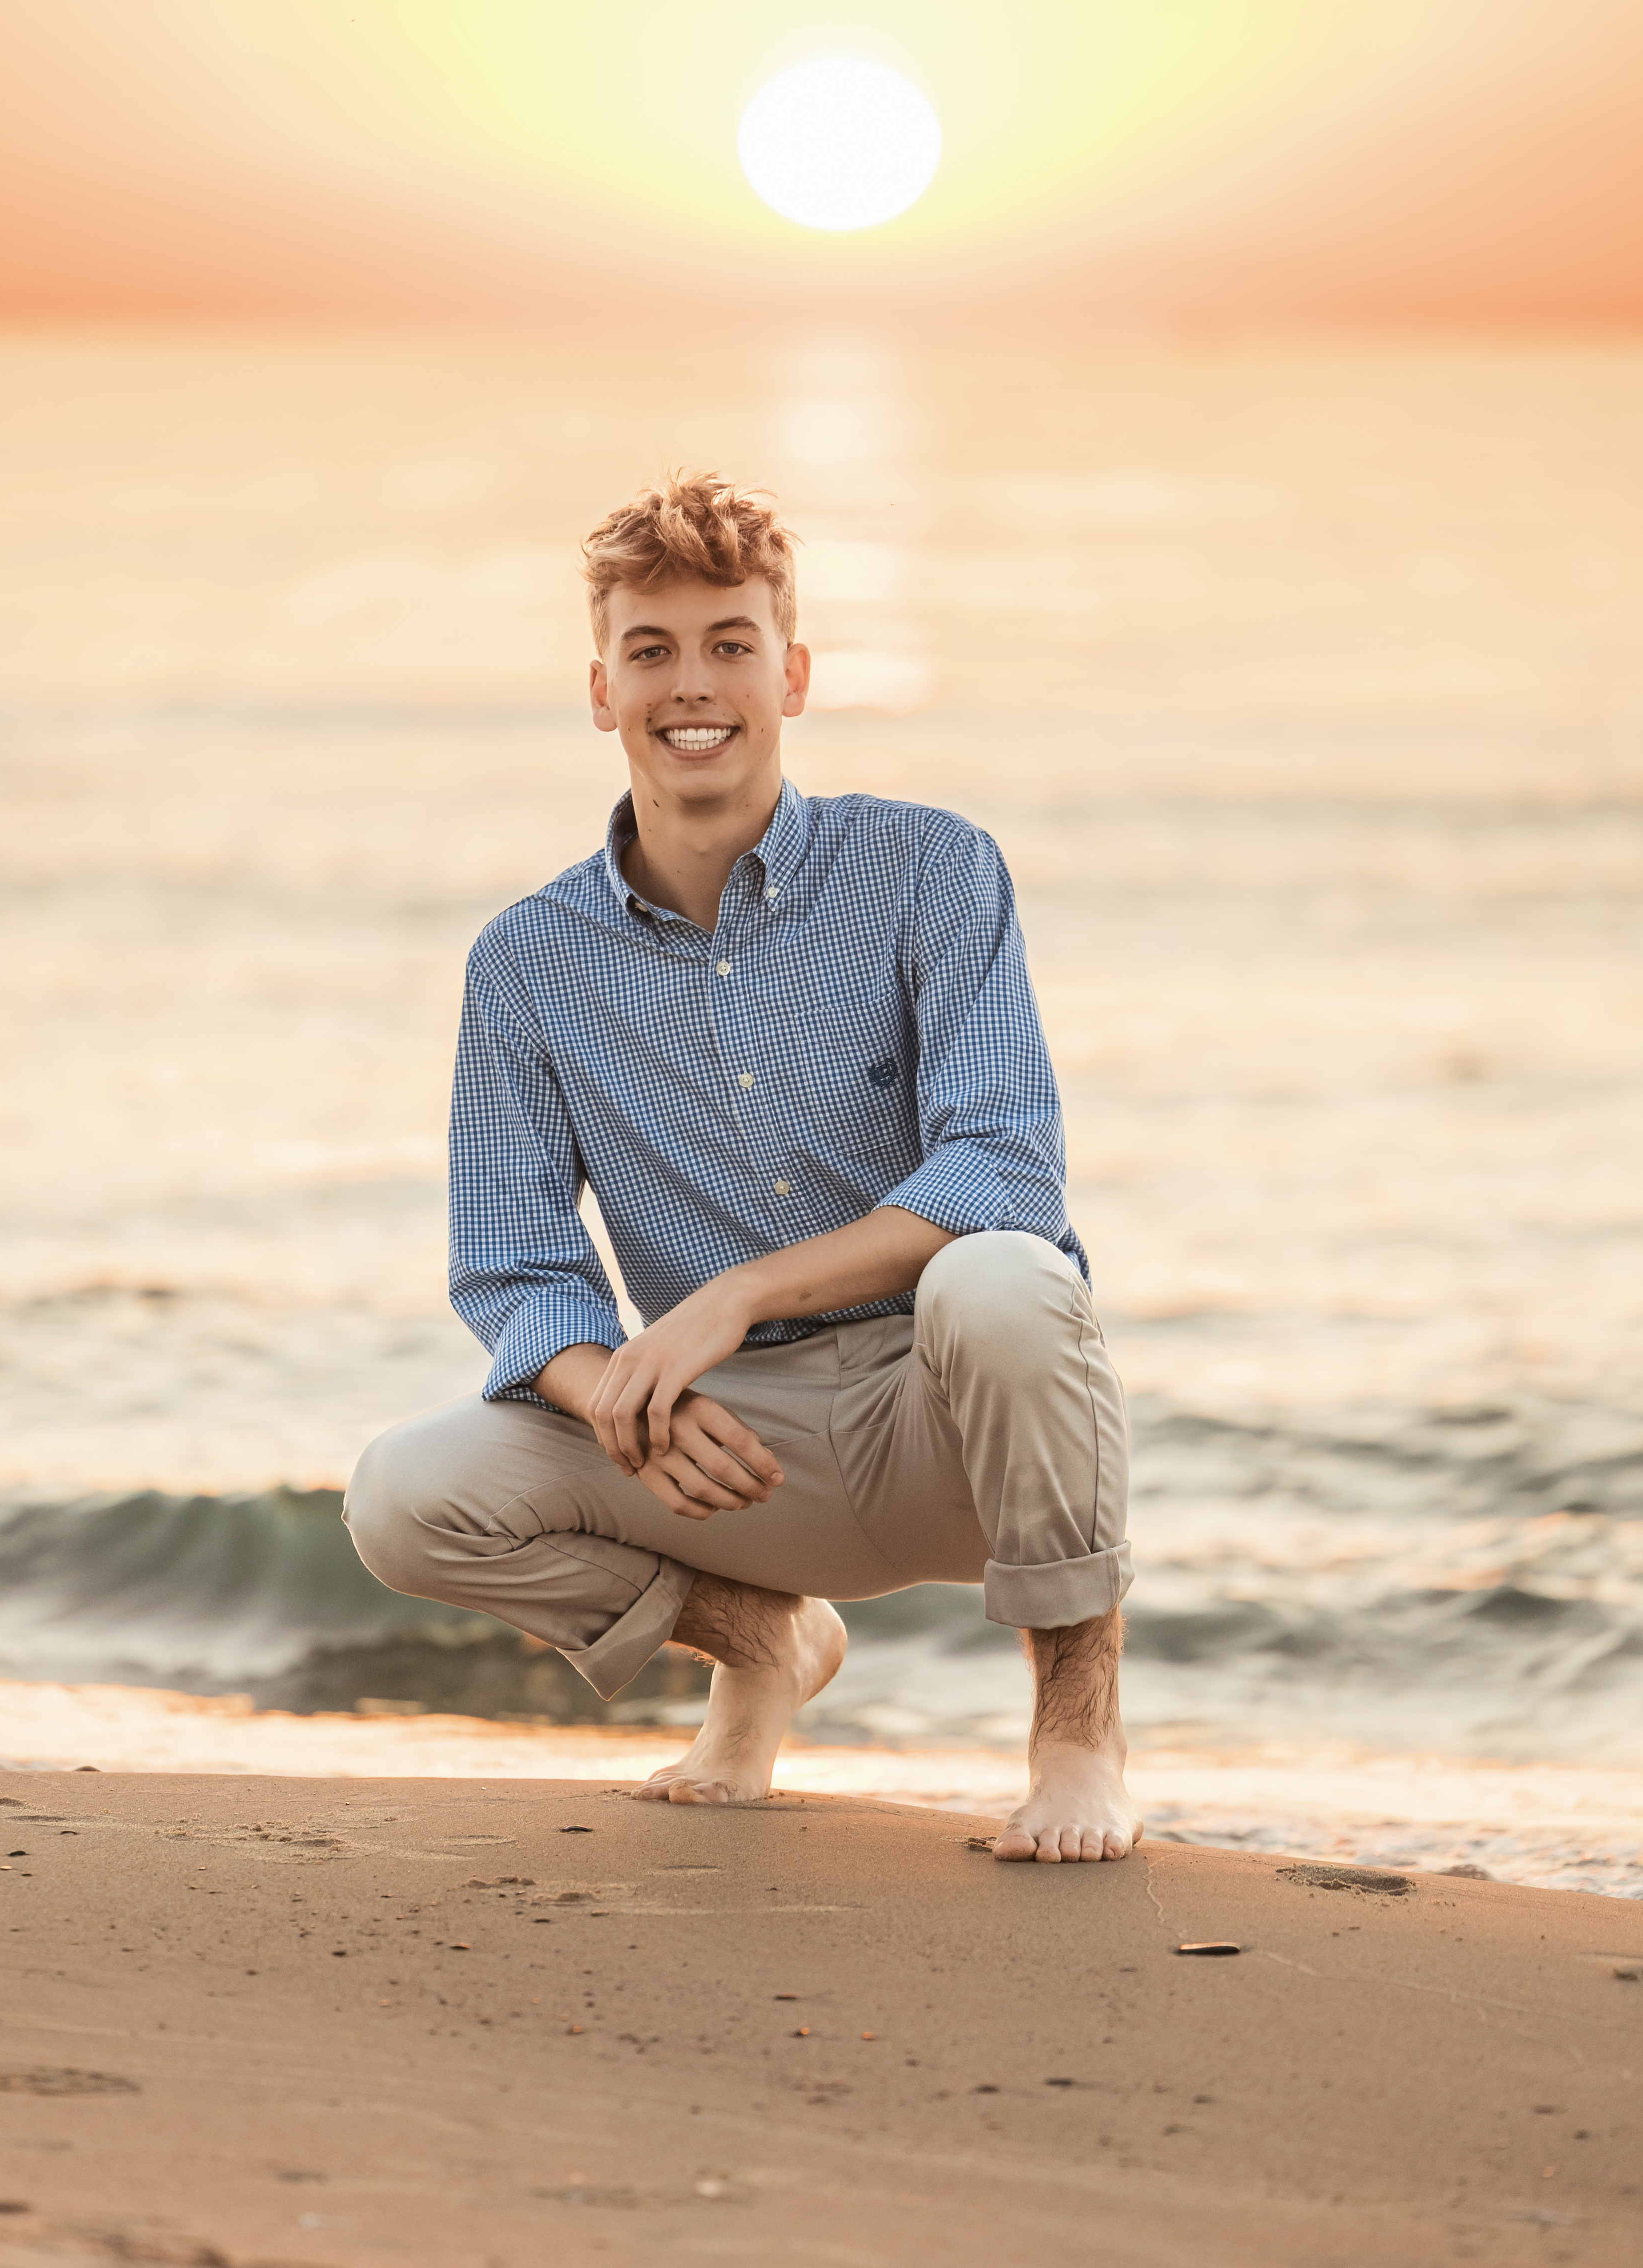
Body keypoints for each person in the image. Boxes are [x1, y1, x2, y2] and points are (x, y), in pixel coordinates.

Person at [344, 473, 1137, 1861]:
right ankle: (762, 1645)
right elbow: (515, 1265)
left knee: (1006, 1283)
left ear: (795, 672)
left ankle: (1078, 1742)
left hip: (940, 1411)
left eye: (730, 643)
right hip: (730, 1462)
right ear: (602, 688)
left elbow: (1005, 1169)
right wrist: (615, 1400)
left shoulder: (932, 872)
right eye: (651, 650)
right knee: (403, 1496)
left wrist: (736, 1297)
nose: (691, 685)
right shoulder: (525, 965)